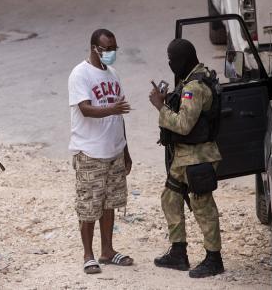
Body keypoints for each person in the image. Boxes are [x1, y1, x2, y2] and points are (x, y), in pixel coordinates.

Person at [148, 38, 224, 278]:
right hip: (185, 156)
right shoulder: (195, 77)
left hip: (198, 156)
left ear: (181, 60)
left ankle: (214, 258)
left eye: (172, 60)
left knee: (202, 206)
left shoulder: (194, 87)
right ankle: (178, 252)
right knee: (170, 197)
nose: (171, 65)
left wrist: (160, 106)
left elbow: (183, 124)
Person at [68, 28, 134, 274]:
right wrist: (112, 110)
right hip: (89, 151)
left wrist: (126, 150)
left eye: (114, 48)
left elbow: (121, 115)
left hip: (114, 151)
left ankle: (108, 250)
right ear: (95, 48)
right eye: (107, 49)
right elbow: (85, 109)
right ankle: (88, 254)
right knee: (89, 206)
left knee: (110, 203)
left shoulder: (114, 74)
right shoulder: (80, 74)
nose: (111, 53)